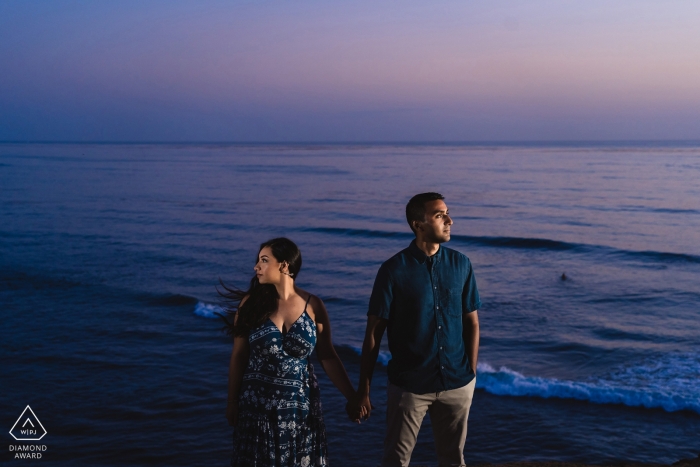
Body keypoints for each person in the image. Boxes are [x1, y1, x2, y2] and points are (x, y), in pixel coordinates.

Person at [350, 192, 481, 467]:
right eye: (439, 215)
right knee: (396, 461)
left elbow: (471, 321)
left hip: (458, 383)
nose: (450, 221)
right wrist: (364, 389)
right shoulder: (393, 270)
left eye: (447, 213)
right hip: (410, 387)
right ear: (417, 224)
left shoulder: (462, 264)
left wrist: (471, 371)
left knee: (454, 460)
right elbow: (373, 333)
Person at [222, 237, 363, 467]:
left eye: (264, 260)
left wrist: (352, 396)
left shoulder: (313, 305)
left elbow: (327, 355)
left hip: (301, 409)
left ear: (284, 265)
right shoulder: (250, 303)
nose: (256, 267)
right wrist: (231, 401)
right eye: (258, 261)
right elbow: (239, 355)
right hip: (257, 408)